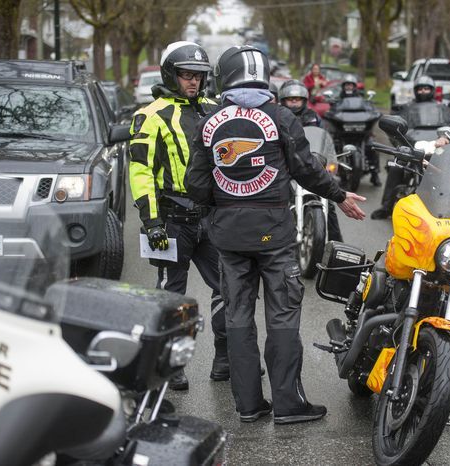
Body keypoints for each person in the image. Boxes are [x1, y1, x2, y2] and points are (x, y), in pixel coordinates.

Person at [187, 45, 366, 424]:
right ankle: (288, 404)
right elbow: (305, 169)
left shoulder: (209, 121)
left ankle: (248, 406)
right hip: (275, 236)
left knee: (237, 317)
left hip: (229, 238)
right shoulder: (281, 116)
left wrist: (222, 205)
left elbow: (196, 183)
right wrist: (339, 195)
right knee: (282, 317)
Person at [128, 41, 228, 391]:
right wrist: (151, 222)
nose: (194, 82)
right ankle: (172, 364)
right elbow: (140, 173)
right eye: (187, 75)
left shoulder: (217, 109)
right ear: (171, 74)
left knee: (228, 288)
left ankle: (225, 358)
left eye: (199, 76)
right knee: (171, 296)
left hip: (212, 219)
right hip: (171, 220)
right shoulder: (150, 115)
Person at [371, 76, 450, 219]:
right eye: (420, 89)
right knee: (396, 168)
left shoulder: (444, 109)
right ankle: (386, 206)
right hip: (412, 148)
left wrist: (446, 137)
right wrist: (402, 144)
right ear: (415, 91)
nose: (423, 91)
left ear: (432, 90)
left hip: (439, 150)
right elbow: (397, 129)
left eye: (426, 88)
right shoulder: (406, 109)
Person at [279, 79, 343, 241]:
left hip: (309, 164)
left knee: (330, 202)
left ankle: (336, 245)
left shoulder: (312, 116)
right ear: (283, 100)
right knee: (277, 200)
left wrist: (328, 158)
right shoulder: (277, 116)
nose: (294, 102)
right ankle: (273, 241)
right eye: (290, 99)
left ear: (304, 100)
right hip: (285, 166)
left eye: (298, 99)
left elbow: (322, 139)